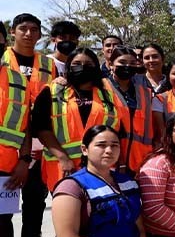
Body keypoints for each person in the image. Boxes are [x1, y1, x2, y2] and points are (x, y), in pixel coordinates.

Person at [2, 13, 57, 237]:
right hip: (10, 144)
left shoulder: (48, 64)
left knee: (35, 200)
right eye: (23, 28)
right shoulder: (2, 60)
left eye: (34, 29)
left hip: (39, 139)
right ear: (12, 32)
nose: (28, 33)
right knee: (4, 206)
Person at [36, 48, 121, 192]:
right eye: (77, 64)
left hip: (100, 168)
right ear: (68, 66)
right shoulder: (52, 91)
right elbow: (41, 128)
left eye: (88, 64)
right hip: (64, 168)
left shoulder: (108, 94)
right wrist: (63, 158)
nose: (82, 67)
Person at [0, 20, 30, 237]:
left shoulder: (18, 80)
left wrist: (24, 161)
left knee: (1, 229)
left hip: (6, 169)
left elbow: (26, 125)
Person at [107, 46, 154, 175]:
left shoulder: (145, 92)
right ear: (111, 64)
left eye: (132, 63)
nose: (127, 66)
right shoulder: (101, 88)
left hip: (142, 162)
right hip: (110, 160)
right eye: (122, 62)